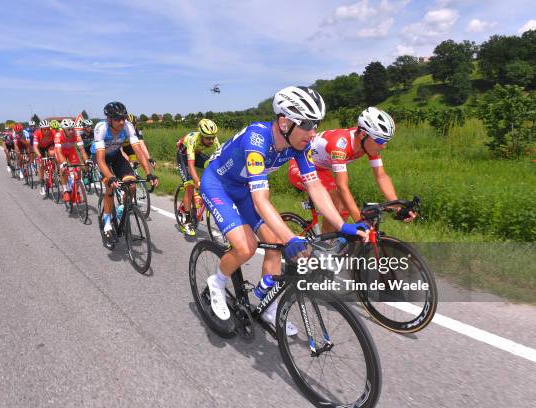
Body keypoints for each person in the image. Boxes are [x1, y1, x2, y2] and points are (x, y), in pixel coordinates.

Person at [200, 86, 369, 334]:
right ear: (284, 122)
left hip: (244, 188)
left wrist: (343, 226)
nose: (313, 133)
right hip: (219, 186)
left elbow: (315, 186)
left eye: (316, 124)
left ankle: (269, 307)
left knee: (276, 244)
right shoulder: (257, 139)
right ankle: (217, 281)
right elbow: (261, 198)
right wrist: (291, 238)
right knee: (247, 247)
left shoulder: (298, 145)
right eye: (308, 124)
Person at [287, 107, 416, 229]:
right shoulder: (340, 145)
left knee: (344, 209)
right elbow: (342, 186)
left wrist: (397, 205)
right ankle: (325, 246)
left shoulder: (369, 144)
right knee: (337, 198)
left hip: (321, 169)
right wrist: (360, 221)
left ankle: (334, 240)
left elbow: (381, 176)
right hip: (299, 166)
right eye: (381, 141)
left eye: (386, 141)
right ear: (363, 134)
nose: (384, 146)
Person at [94, 102, 158, 244]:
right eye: (118, 119)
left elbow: (138, 151)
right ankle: (107, 224)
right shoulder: (101, 128)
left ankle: (122, 209)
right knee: (110, 186)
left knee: (131, 184)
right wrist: (110, 177)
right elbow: (100, 158)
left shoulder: (128, 126)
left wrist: (149, 173)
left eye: (123, 118)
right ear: (109, 119)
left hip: (116, 156)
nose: (122, 122)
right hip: (102, 158)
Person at [175, 118, 221, 235]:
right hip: (183, 156)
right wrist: (197, 182)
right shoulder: (192, 140)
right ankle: (187, 221)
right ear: (201, 135)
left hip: (197, 154)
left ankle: (198, 199)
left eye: (212, 137)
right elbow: (190, 165)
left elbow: (219, 158)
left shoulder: (214, 138)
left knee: (212, 164)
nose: (211, 140)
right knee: (190, 186)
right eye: (208, 138)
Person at [55, 119, 90, 202]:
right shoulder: (58, 135)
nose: (71, 131)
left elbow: (82, 150)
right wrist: (64, 163)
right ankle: (65, 190)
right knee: (63, 168)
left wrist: (86, 160)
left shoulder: (76, 134)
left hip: (71, 151)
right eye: (68, 129)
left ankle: (76, 191)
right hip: (61, 152)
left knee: (78, 169)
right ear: (64, 130)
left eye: (72, 129)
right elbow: (59, 152)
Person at [33, 120, 57, 195]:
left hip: (50, 145)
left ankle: (53, 171)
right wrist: (39, 155)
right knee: (41, 164)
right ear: (41, 129)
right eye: (44, 129)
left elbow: (57, 144)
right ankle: (42, 183)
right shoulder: (37, 133)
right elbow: (35, 147)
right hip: (40, 148)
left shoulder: (53, 132)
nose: (47, 131)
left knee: (52, 154)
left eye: (48, 129)